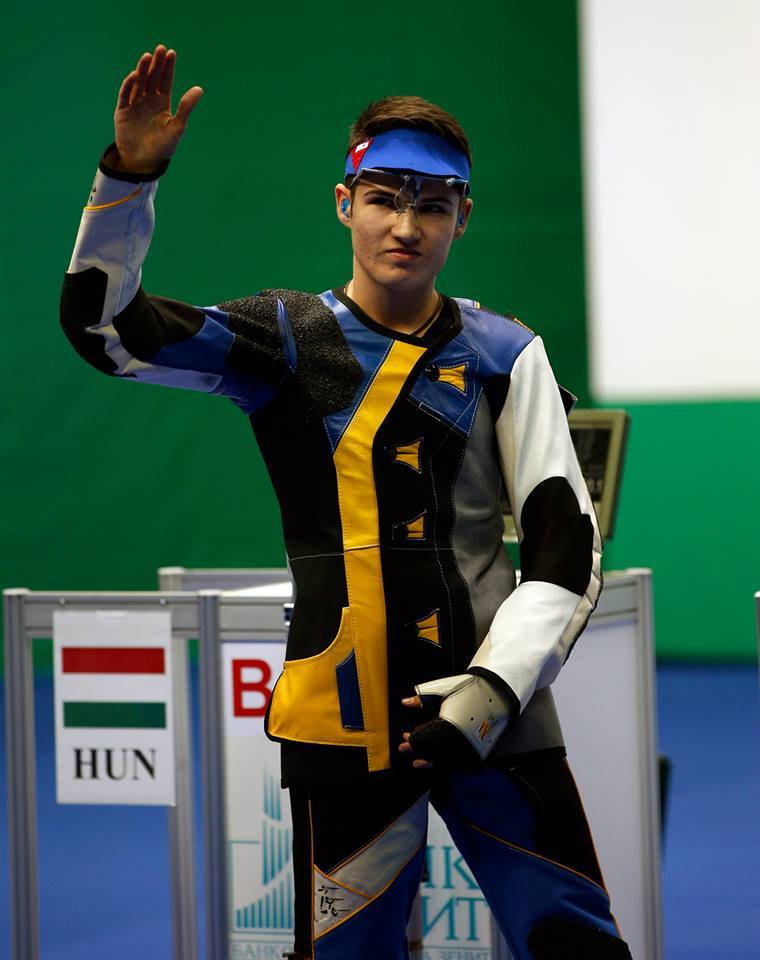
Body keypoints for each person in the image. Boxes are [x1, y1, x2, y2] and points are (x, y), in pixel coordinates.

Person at [61, 44, 632, 960]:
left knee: (578, 946)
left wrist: (491, 691)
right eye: (384, 198)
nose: (406, 224)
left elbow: (566, 548)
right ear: (345, 202)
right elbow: (106, 331)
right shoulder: (286, 338)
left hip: (500, 718)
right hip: (341, 722)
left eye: (433, 204)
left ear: (462, 218)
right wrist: (129, 177)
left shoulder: (506, 353)